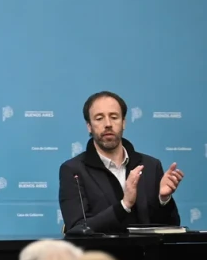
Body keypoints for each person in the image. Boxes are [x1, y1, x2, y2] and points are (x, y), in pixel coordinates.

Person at [58, 91, 183, 234]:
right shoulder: (73, 170)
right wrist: (124, 205)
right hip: (101, 255)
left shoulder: (151, 166)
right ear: (89, 126)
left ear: (123, 122)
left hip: (146, 254)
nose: (108, 124)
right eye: (99, 118)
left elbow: (170, 227)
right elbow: (77, 229)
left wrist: (164, 200)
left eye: (114, 117)